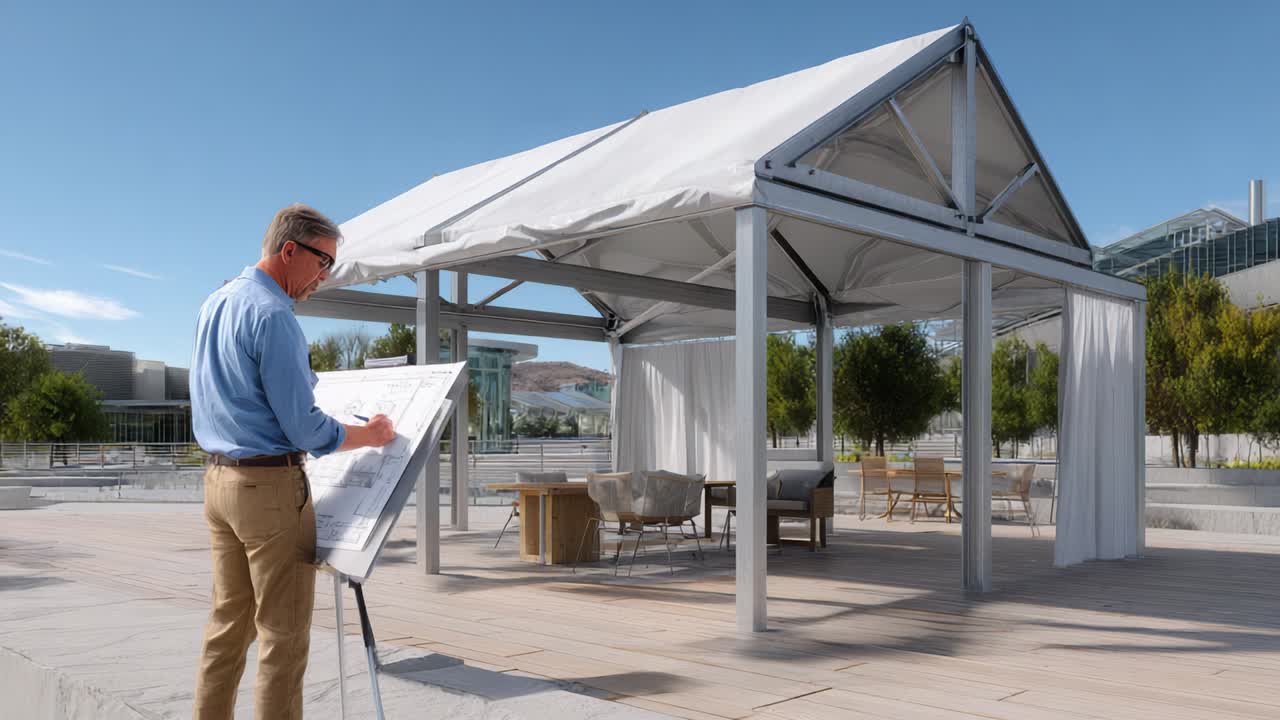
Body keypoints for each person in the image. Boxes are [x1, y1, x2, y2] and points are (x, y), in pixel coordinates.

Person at [189, 203, 395, 719]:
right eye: (322, 262)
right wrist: (368, 435)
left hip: (218, 484)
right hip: (267, 491)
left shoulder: (216, 301)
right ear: (289, 251)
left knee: (226, 626)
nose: (323, 277)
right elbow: (304, 428)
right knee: (283, 636)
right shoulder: (274, 314)